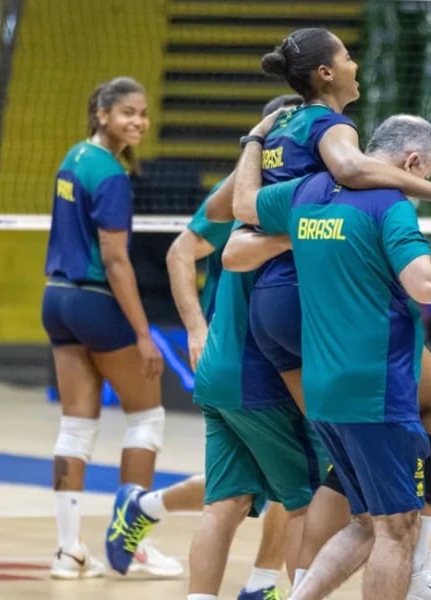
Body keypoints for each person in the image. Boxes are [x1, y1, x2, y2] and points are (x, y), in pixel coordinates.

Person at [235, 29, 431, 599]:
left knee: (362, 513)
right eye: (345, 56)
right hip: (370, 382)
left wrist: (251, 140)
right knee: (395, 526)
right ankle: (414, 575)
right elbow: (427, 284)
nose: (355, 62)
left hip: (316, 369)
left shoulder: (306, 186)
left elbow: (242, 215)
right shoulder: (376, 190)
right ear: (412, 164)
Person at [106, 95, 326, 600]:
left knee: (233, 498)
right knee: (304, 496)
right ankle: (267, 583)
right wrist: (195, 328)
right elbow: (182, 250)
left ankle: (153, 513)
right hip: (254, 361)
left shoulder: (280, 195)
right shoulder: (257, 198)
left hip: (231, 365)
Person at [41, 76, 181, 578]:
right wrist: (144, 334)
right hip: (95, 302)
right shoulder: (112, 176)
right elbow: (116, 261)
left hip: (56, 297)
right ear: (102, 113)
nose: (138, 121)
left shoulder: (73, 157)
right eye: (128, 113)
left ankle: (67, 550)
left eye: (143, 113)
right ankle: (135, 544)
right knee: (147, 418)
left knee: (77, 425)